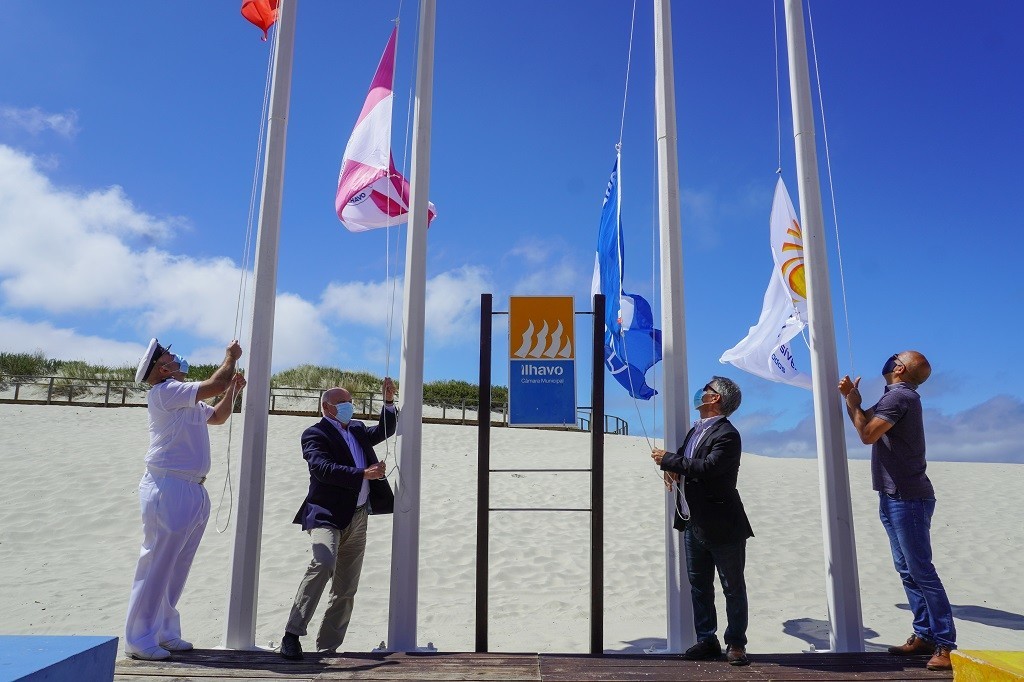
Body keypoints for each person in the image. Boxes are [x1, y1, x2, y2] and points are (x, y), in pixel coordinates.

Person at [125, 338, 246, 660]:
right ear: (162, 369)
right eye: (170, 356)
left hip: (192, 487)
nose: (178, 358)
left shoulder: (183, 397)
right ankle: (139, 638)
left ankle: (164, 631)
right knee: (157, 563)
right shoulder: (166, 391)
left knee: (177, 565)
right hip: (169, 484)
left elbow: (217, 417)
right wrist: (230, 358)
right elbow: (215, 384)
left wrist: (233, 391)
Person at [839, 350, 955, 671]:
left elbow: (867, 434)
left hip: (907, 498)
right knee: (907, 570)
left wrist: (852, 402)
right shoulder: (896, 397)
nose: (889, 359)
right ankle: (924, 635)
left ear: (900, 368)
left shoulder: (899, 397)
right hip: (895, 495)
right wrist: (852, 401)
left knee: (921, 571)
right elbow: (865, 422)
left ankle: (945, 644)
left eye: (894, 357)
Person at [280, 378, 397, 660]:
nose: (348, 407)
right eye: (342, 403)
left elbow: (385, 430)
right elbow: (322, 469)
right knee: (323, 562)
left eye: (350, 402)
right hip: (326, 514)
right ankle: (292, 634)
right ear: (327, 407)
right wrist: (363, 474)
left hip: (359, 515)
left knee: (346, 587)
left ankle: (327, 647)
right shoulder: (315, 434)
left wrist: (389, 402)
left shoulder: (356, 428)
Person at [652, 376, 753, 667]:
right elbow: (689, 462)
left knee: (732, 586)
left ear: (715, 398)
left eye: (706, 389)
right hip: (692, 522)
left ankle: (736, 643)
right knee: (699, 586)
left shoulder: (727, 434)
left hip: (723, 524)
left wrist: (668, 460)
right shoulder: (696, 430)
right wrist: (673, 469)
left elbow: (709, 467)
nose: (700, 392)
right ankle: (707, 639)